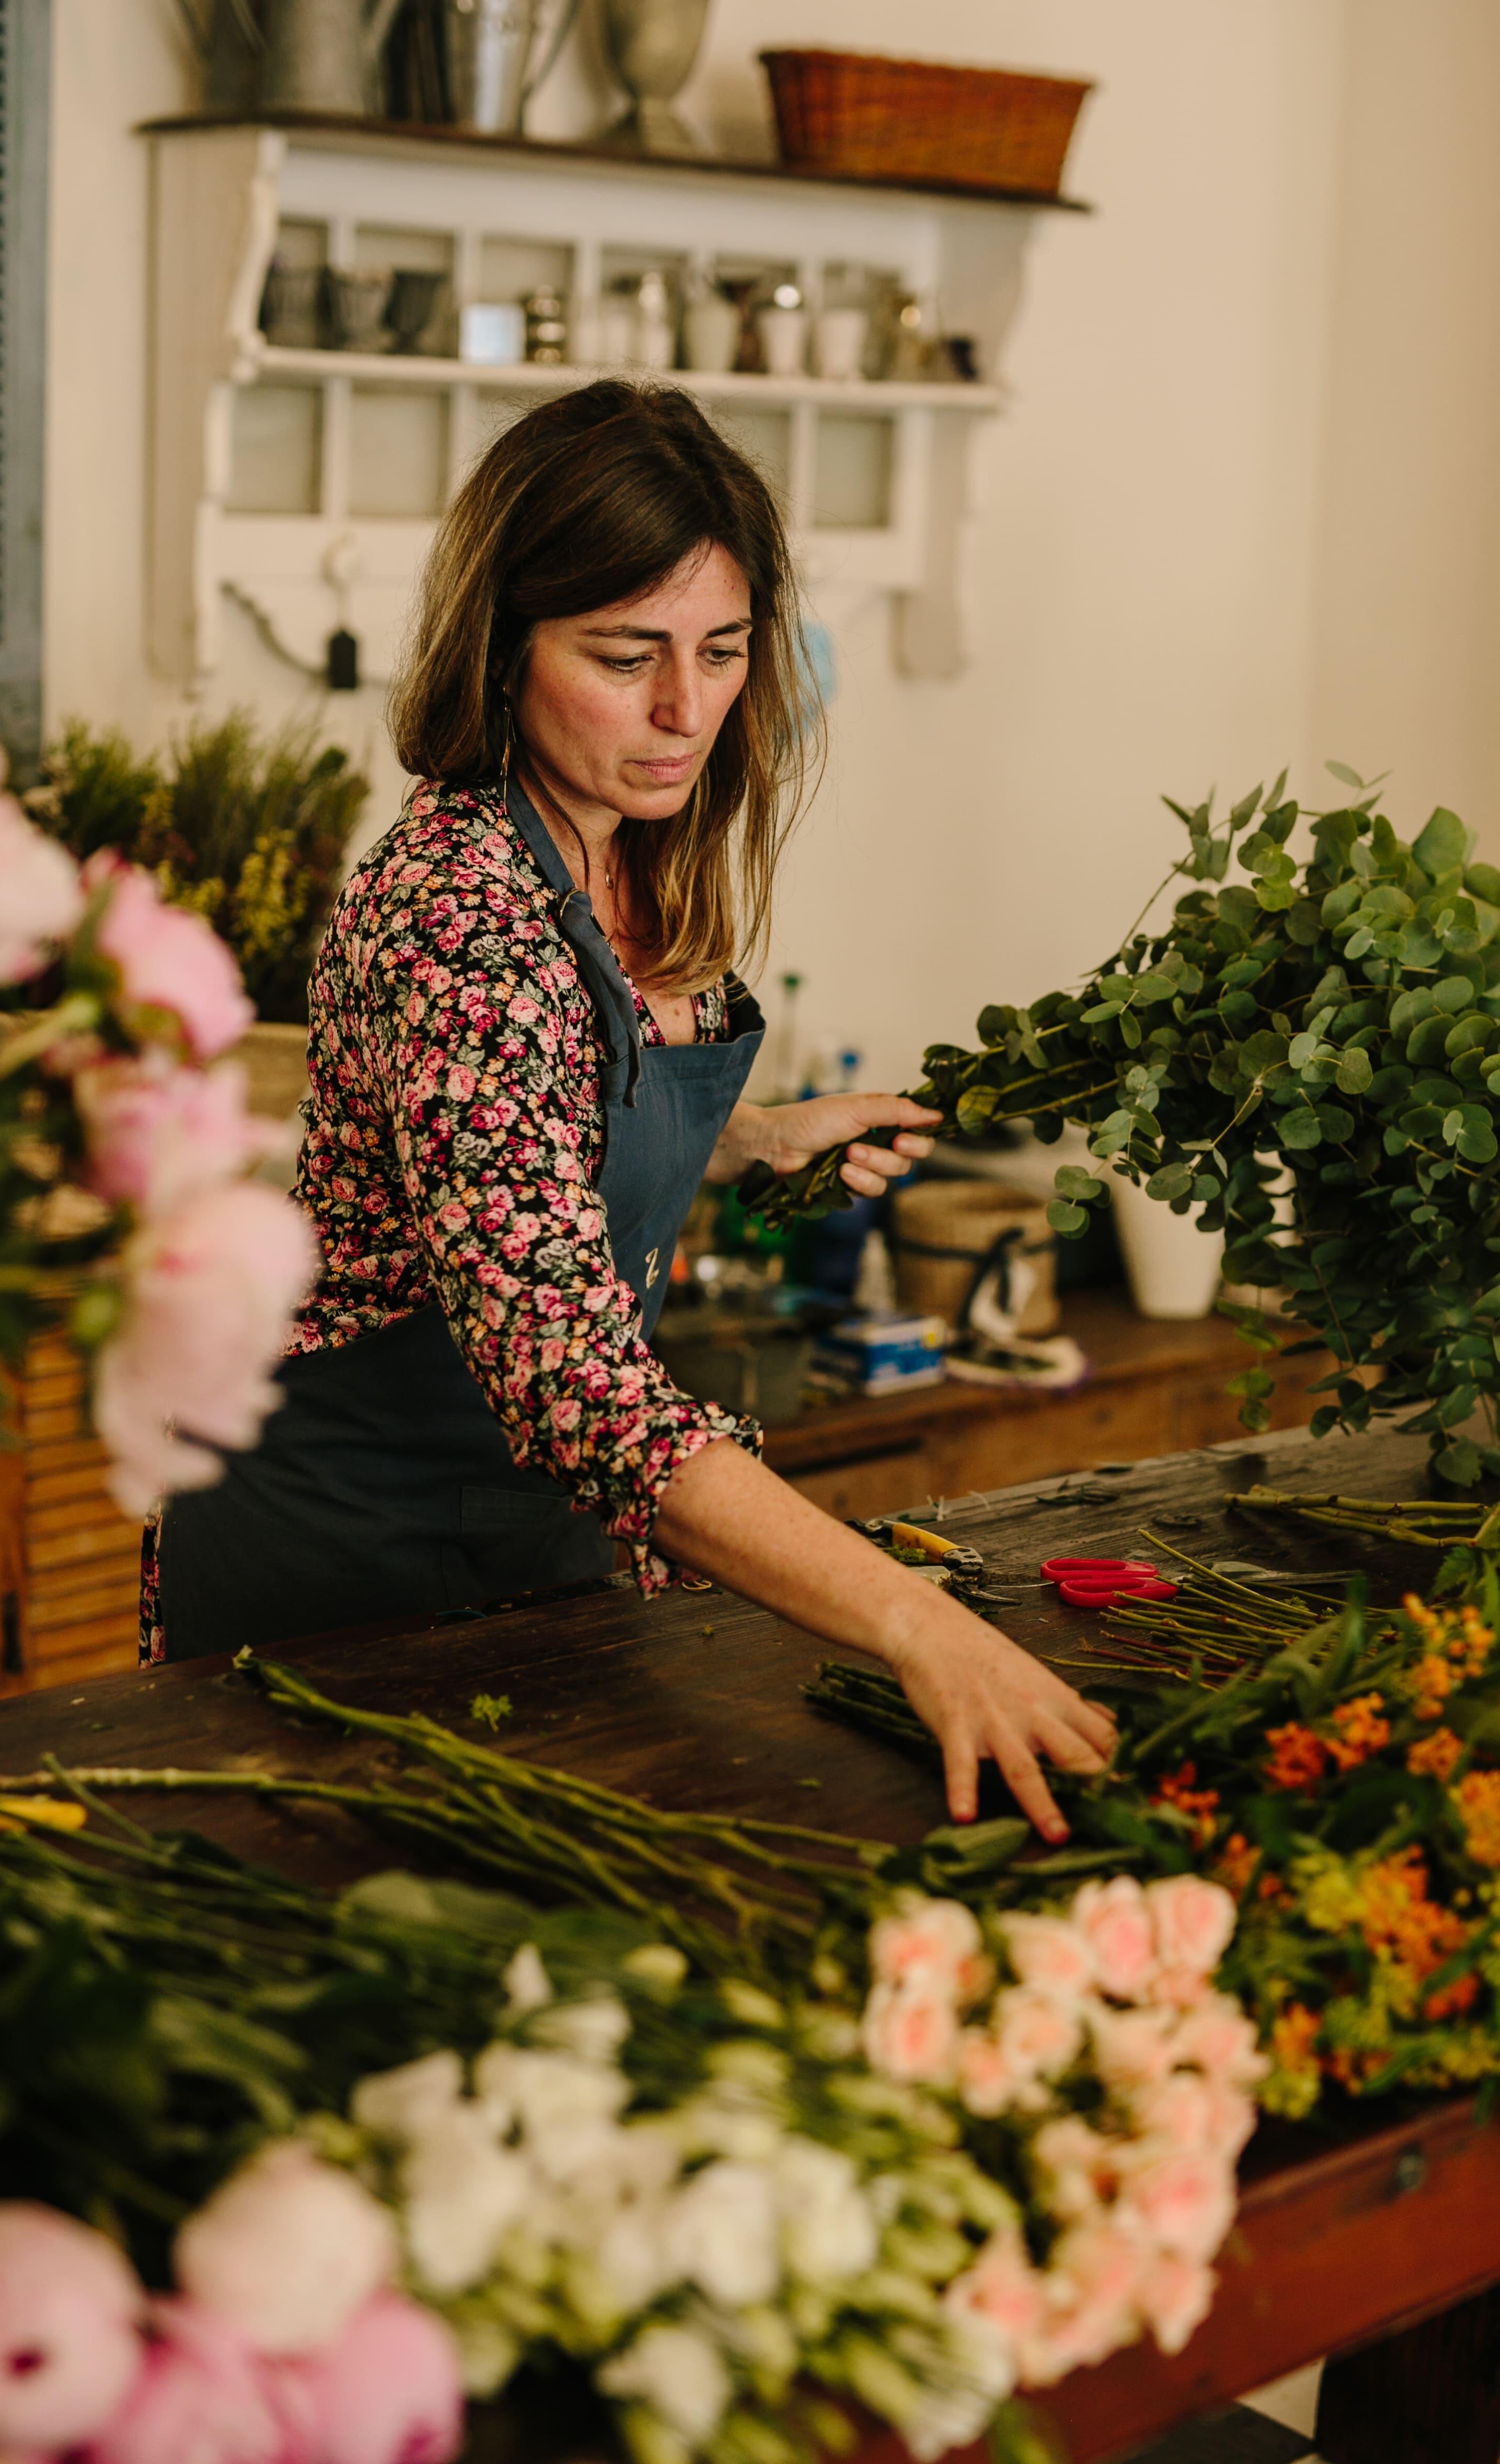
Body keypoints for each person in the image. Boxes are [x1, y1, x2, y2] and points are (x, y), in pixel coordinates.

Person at [148, 381, 1114, 1836]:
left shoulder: (611, 849)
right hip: (350, 1575)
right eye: (624, 655)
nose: (685, 711)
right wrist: (915, 1622)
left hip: (522, 1544)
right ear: (503, 646)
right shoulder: (458, 908)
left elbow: (516, 1120)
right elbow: (565, 1375)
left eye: (722, 652)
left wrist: (749, 1133)